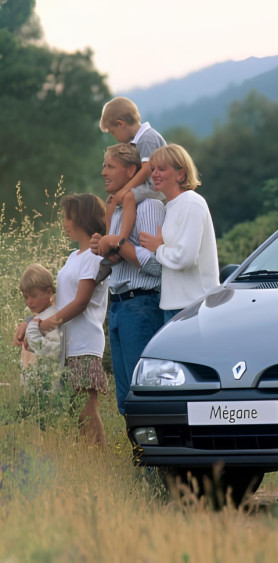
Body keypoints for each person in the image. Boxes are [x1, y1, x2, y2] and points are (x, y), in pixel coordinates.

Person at [90, 143, 165, 416]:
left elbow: (157, 266)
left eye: (110, 166)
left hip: (141, 305)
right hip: (119, 306)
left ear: (132, 170)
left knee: (143, 392)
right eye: (104, 166)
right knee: (125, 397)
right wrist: (102, 247)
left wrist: (118, 243)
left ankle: (155, 444)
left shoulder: (149, 206)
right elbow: (117, 258)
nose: (103, 172)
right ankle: (135, 444)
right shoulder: (117, 209)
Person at [40, 193, 110, 446]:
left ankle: (99, 458)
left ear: (81, 218)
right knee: (75, 408)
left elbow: (80, 302)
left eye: (67, 217)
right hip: (69, 344)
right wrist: (34, 322)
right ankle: (88, 458)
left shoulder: (93, 256)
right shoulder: (73, 257)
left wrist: (51, 322)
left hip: (85, 343)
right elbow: (63, 299)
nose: (64, 223)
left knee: (85, 409)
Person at [139, 144, 219, 321]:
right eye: (153, 169)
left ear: (180, 174)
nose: (154, 174)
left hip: (194, 305)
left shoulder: (192, 202)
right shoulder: (170, 207)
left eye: (161, 169)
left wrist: (158, 248)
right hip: (173, 306)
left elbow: (186, 257)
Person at [98, 97, 166, 260]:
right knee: (112, 200)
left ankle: (121, 240)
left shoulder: (147, 138)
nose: (115, 137)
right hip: (148, 185)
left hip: (156, 187)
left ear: (121, 124)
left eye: (113, 132)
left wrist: (125, 190)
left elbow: (146, 169)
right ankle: (109, 237)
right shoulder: (139, 140)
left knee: (127, 197)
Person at [14, 264, 65, 385]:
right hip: (33, 385)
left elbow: (55, 351)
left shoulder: (53, 317)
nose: (29, 302)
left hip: (47, 386)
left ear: (48, 292)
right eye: (25, 297)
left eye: (33, 296)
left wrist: (33, 335)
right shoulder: (37, 318)